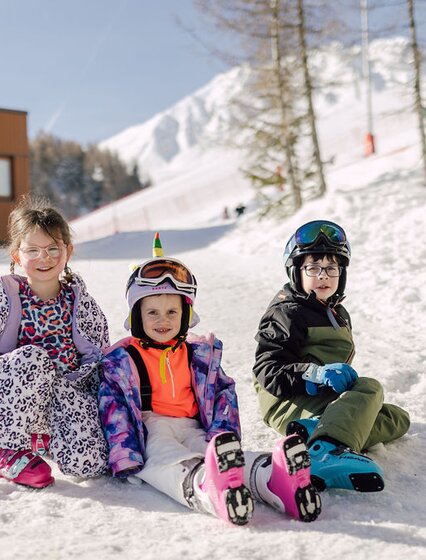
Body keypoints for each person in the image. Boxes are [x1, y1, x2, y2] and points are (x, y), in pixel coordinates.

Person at [99, 233, 321, 526]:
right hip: (150, 427)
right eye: (152, 312)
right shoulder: (122, 360)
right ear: (136, 316)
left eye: (172, 312)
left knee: (221, 454)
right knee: (163, 460)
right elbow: (112, 406)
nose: (162, 320)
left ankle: (273, 478)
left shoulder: (198, 354)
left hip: (193, 424)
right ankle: (208, 486)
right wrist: (124, 453)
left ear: (186, 314)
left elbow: (221, 392)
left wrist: (220, 433)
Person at [253, 219, 410, 493]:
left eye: (331, 268)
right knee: (369, 387)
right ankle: (324, 451)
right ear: (296, 272)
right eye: (313, 267)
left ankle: (313, 431)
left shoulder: (335, 311)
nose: (323, 275)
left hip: (318, 400)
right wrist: (314, 373)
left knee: (396, 418)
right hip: (287, 398)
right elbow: (267, 369)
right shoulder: (287, 312)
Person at [0, 196, 110, 489]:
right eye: (33, 250)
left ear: (67, 252)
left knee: (90, 463)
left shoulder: (79, 300)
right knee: (33, 358)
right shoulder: (6, 297)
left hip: (63, 391)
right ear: (17, 256)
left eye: (52, 249)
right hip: (13, 392)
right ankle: (7, 447)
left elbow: (99, 350)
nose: (44, 258)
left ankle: (43, 438)